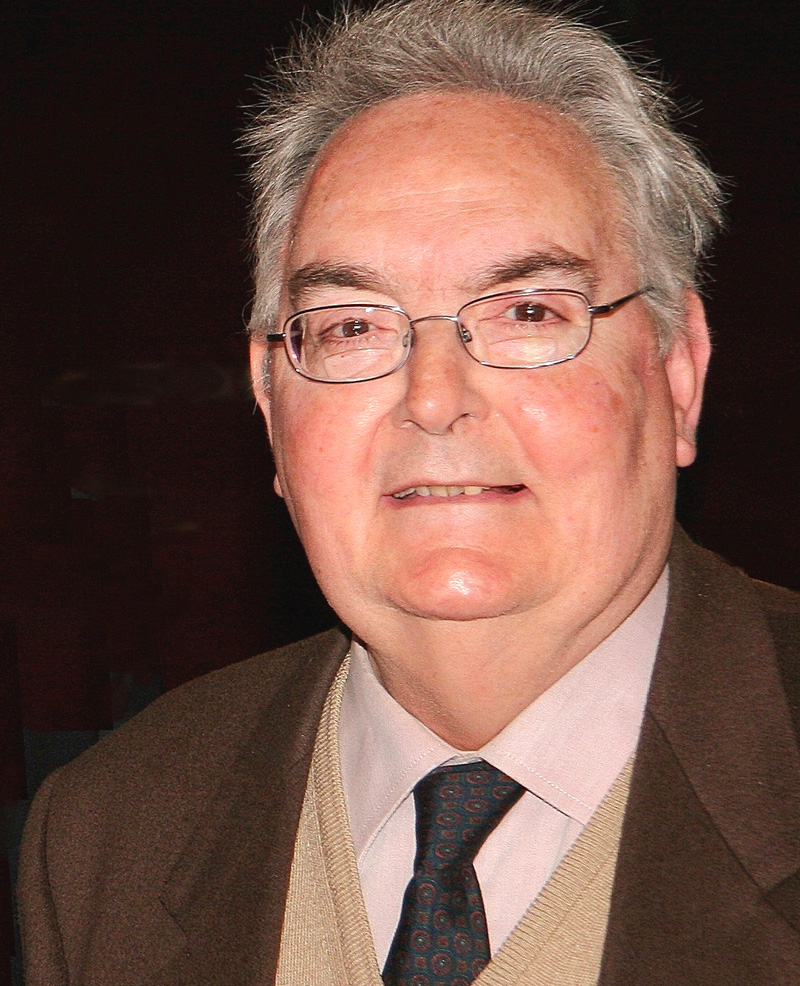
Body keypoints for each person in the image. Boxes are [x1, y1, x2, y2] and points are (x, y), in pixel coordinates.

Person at [18, 1, 800, 984]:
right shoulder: (107, 833)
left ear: (676, 373)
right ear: (270, 402)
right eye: (352, 325)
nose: (431, 398)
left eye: (527, 310)